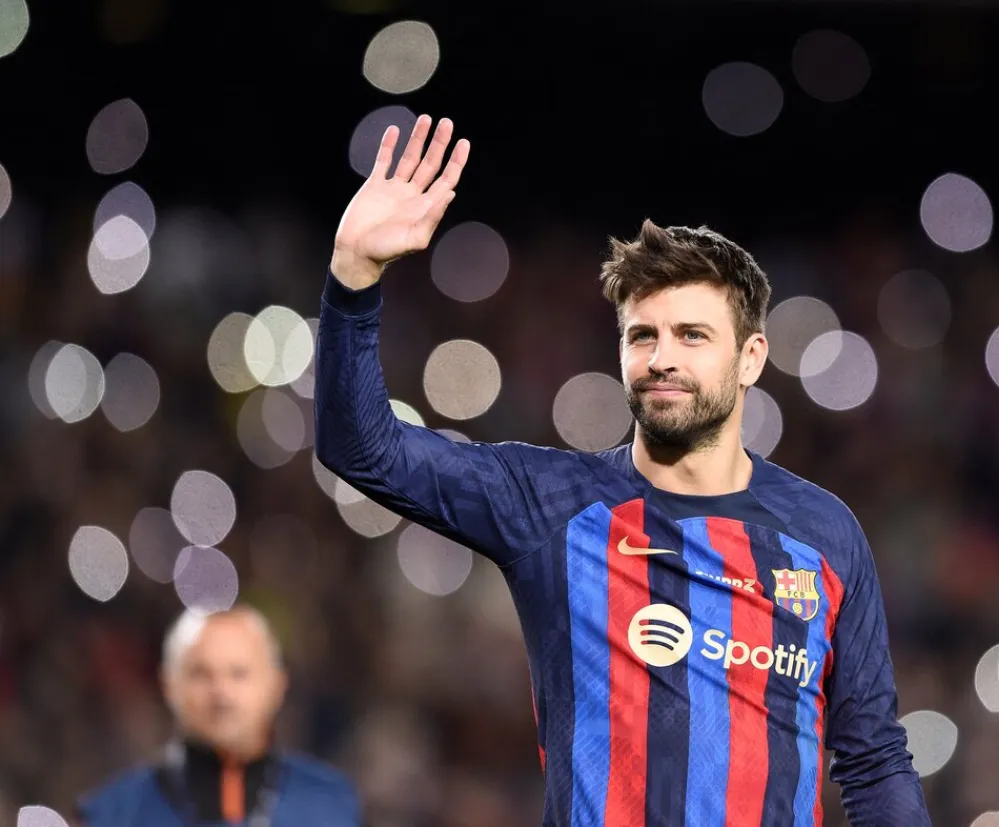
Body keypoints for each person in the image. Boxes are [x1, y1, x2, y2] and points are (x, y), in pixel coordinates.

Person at [315, 113, 931, 826]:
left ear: (752, 357)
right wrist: (353, 277)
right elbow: (360, 448)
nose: (662, 357)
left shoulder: (825, 533)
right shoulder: (549, 504)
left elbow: (875, 759)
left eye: (692, 335)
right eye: (643, 335)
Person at [75, 606, 363, 827]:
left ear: (276, 685)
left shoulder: (333, 805)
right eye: (202, 674)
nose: (222, 694)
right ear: (169, 686)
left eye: (239, 674)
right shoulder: (112, 813)